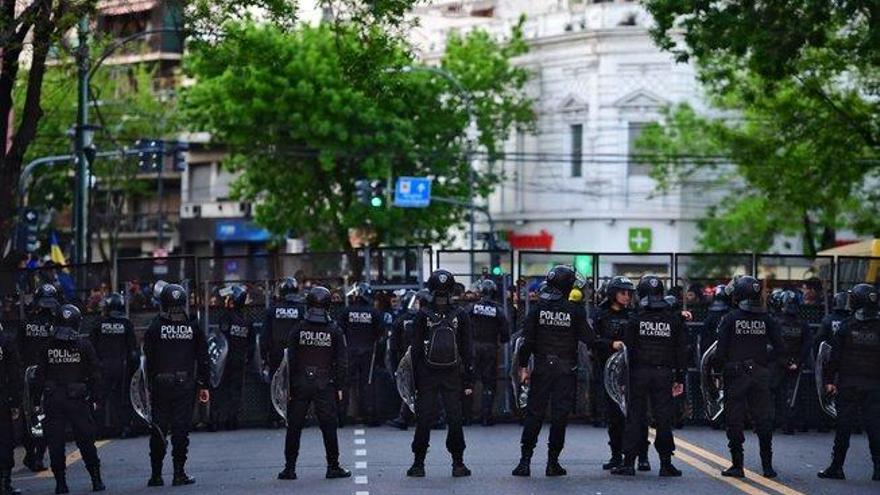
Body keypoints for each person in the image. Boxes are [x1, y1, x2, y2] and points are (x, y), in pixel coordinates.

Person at [512, 265, 593, 478]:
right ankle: (552, 463)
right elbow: (589, 339)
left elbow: (527, 342)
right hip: (565, 370)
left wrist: (522, 367)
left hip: (541, 369)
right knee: (559, 416)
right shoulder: (574, 310)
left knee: (534, 414)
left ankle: (524, 462)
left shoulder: (537, 309)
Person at [611, 276, 688, 477]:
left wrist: (621, 380)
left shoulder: (635, 319)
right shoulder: (673, 320)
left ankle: (629, 463)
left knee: (635, 418)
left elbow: (626, 353)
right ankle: (665, 463)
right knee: (663, 419)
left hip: (638, 374)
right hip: (664, 375)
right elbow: (681, 352)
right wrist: (679, 378)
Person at [714, 276, 785, 479]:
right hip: (760, 375)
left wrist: (721, 370)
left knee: (734, 421)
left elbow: (720, 351)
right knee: (763, 420)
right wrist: (761, 363)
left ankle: (738, 466)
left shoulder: (730, 318)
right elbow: (781, 348)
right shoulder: (767, 319)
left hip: (736, 375)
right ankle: (767, 467)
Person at [278, 286, 351, 481]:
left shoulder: (299, 329)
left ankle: (289, 468)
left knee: (294, 426)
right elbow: (342, 363)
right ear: (328, 306)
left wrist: (289, 386)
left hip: (300, 382)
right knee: (329, 426)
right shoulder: (334, 330)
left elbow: (289, 359)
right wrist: (340, 387)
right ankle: (333, 466)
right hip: (324, 383)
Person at [407, 269, 474, 478]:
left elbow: (415, 350)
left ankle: (418, 464)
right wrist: (469, 379)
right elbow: (467, 349)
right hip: (452, 374)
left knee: (424, 418)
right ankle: (458, 463)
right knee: (455, 418)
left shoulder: (422, 315)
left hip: (427, 374)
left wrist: (414, 380)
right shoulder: (460, 314)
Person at [143, 283, 210, 487]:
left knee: (159, 428)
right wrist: (204, 383)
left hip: (161, 384)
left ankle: (156, 475)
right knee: (181, 429)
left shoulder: (155, 326)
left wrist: (152, 382)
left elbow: (148, 356)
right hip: (185, 385)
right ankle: (179, 473)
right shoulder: (193, 326)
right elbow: (203, 357)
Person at [35, 304, 104, 494]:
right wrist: (96, 396)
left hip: (54, 401)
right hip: (78, 400)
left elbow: (39, 377)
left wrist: (35, 403)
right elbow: (96, 373)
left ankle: (61, 484)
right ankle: (96, 480)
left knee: (56, 443)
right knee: (86, 441)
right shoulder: (83, 345)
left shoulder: (47, 347)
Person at [817, 283, 880, 481]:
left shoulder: (847, 326)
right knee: (875, 427)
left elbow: (833, 357)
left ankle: (837, 468)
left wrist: (829, 381)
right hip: (874, 386)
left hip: (849, 385)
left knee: (843, 428)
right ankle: (878, 469)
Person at [591, 276, 650, 471]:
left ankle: (642, 456)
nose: (626, 297)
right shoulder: (600, 314)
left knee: (637, 416)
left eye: (629, 293)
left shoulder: (635, 314)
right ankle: (617, 455)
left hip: (633, 372)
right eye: (622, 293)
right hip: (609, 372)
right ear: (612, 293)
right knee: (615, 417)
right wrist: (610, 344)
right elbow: (592, 340)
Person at [18, 283, 58, 472]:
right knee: (45, 417)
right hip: (47, 377)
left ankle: (31, 454)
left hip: (28, 377)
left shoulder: (26, 324)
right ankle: (39, 456)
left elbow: (17, 351)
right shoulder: (57, 325)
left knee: (29, 417)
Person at [91, 293, 138, 438]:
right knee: (122, 398)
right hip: (122, 366)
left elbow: (91, 345)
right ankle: (125, 428)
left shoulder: (99, 323)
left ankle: (97, 431)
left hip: (102, 366)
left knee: (99, 399)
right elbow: (132, 349)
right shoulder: (126, 324)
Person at [464, 279, 510, 426]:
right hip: (490, 348)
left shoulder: (471, 308)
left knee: (469, 381)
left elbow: (462, 326)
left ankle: (467, 417)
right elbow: (505, 333)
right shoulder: (498, 310)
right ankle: (486, 417)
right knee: (489, 383)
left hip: (473, 348)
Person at [337, 283, 383, 426]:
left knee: (345, 384)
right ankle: (369, 416)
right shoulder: (374, 312)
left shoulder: (346, 311)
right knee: (367, 384)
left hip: (349, 352)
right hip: (368, 353)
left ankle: (341, 416)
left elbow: (339, 330)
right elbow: (381, 333)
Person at [262, 277, 304, 428]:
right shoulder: (301, 309)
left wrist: (263, 355)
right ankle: (296, 417)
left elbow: (265, 334)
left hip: (276, 352)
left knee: (276, 385)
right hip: (297, 353)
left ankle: (274, 418)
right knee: (297, 385)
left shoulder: (273, 310)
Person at [212, 285, 255, 431]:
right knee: (235, 391)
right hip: (239, 359)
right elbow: (251, 344)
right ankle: (233, 421)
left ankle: (215, 421)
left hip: (224, 360)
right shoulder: (247, 321)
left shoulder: (226, 317)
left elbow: (221, 337)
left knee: (218, 389)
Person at [770, 290, 811, 434]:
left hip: (778, 363)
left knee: (773, 392)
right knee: (793, 394)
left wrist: (785, 361)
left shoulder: (774, 321)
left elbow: (771, 345)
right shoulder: (803, 323)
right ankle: (792, 424)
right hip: (795, 364)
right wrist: (797, 362)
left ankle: (774, 422)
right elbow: (807, 345)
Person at [385, 290, 426, 430]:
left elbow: (394, 346)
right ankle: (437, 418)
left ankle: (404, 418)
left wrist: (395, 365)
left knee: (410, 388)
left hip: (409, 357)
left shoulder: (402, 320)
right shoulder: (433, 318)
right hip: (427, 358)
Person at [0, 323, 24, 495]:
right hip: (3, 399)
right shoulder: (5, 341)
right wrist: (15, 402)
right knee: (5, 440)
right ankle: (4, 482)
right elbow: (14, 373)